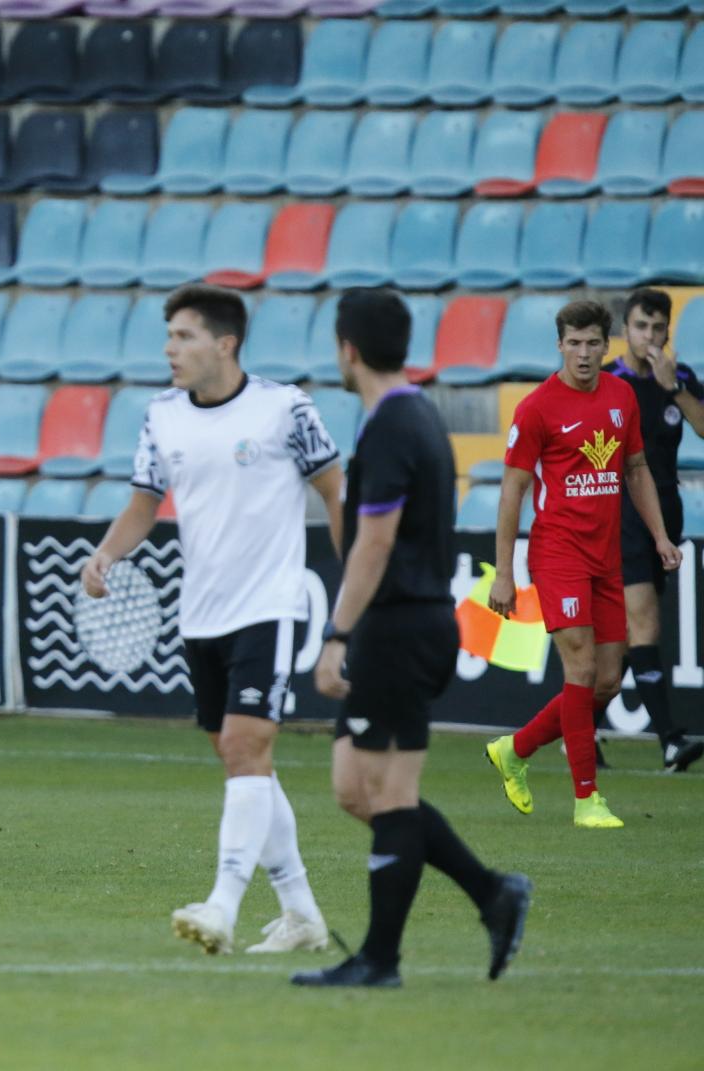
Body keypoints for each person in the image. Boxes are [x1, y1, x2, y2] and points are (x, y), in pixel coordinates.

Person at [81, 284, 342, 956]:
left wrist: (357, 597)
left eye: (184, 336)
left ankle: (222, 904)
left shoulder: (285, 409)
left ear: (225, 343)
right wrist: (106, 553)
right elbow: (145, 501)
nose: (170, 348)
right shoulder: (162, 416)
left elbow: (337, 493)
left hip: (270, 605)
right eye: (168, 335)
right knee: (239, 756)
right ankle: (303, 912)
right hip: (202, 615)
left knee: (248, 747)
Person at [293, 289, 532, 990]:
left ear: (348, 349)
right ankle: (492, 892)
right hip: (403, 622)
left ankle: (380, 960)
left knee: (390, 791)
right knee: (353, 786)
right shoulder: (410, 414)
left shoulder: (395, 423)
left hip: (401, 624)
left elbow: (375, 539)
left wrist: (338, 633)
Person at [485, 300, 681, 829]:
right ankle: (587, 798)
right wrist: (504, 572)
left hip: (607, 555)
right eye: (574, 343)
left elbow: (636, 469)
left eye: (594, 342)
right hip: (557, 554)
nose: (584, 353)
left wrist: (661, 536)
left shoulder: (621, 397)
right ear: (560, 346)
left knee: (608, 681)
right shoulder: (537, 408)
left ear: (606, 344)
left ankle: (513, 750)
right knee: (581, 667)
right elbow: (512, 492)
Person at [606, 289, 704, 771]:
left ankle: (571, 726)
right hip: (620, 514)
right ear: (626, 329)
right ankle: (668, 740)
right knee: (645, 623)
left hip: (666, 514)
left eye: (658, 328)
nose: (649, 336)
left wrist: (676, 390)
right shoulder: (606, 381)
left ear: (668, 333)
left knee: (630, 635)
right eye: (641, 326)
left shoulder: (678, 378)